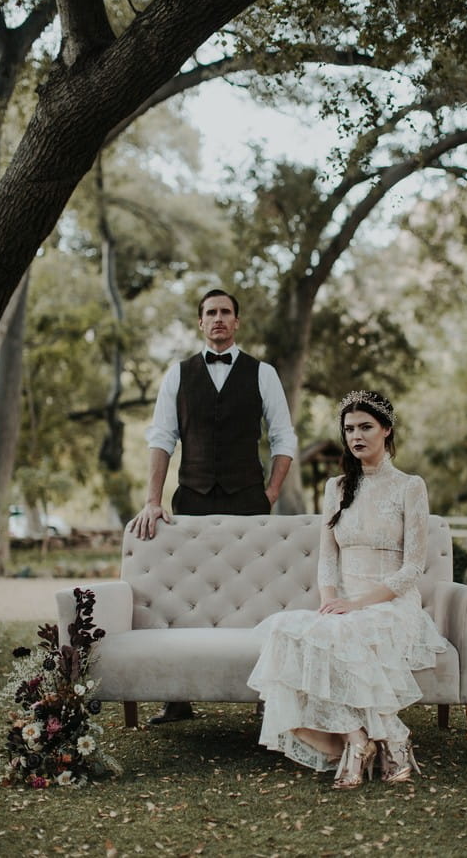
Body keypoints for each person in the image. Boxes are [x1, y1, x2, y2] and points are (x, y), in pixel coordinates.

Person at [247, 390, 447, 790]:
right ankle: (359, 740)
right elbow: (327, 560)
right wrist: (330, 604)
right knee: (287, 630)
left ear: (386, 430)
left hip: (392, 605)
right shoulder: (336, 487)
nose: (356, 435)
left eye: (365, 427)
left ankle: (392, 740)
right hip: (344, 605)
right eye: (349, 428)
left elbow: (413, 569)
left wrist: (356, 604)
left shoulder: (410, 486)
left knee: (346, 632)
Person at [129, 288, 297, 724]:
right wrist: (152, 500)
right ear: (200, 323)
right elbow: (162, 438)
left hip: (248, 500)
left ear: (237, 322)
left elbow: (284, 438)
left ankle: (265, 694)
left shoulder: (263, 373)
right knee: (184, 597)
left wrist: (272, 492)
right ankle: (178, 697)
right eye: (211, 313)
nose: (219, 319)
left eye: (226, 312)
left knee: (259, 595)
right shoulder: (177, 374)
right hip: (192, 499)